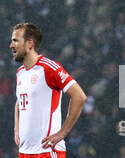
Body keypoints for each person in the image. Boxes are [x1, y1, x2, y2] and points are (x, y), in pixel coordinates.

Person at [10, 23, 87, 158]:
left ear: (29, 44)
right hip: (25, 152)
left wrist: (63, 132)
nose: (11, 45)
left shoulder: (49, 68)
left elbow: (79, 96)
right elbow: (20, 102)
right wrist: (17, 128)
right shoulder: (20, 73)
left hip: (47, 151)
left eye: (16, 40)